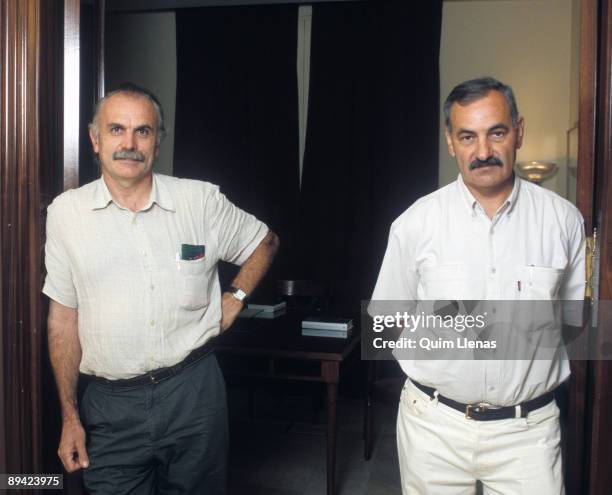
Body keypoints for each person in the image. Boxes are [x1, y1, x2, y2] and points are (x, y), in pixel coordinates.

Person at [43, 82, 279, 494]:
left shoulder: (199, 201)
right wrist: (69, 416)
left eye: (143, 131)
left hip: (193, 392)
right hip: (109, 403)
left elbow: (266, 242)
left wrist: (235, 297)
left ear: (158, 142)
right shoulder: (66, 214)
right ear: (95, 140)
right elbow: (63, 319)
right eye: (116, 130)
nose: (129, 144)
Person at [371, 77, 584, 493]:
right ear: (450, 141)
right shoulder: (416, 223)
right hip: (433, 429)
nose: (483, 152)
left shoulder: (563, 221)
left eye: (496, 133)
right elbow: (387, 320)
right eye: (467, 136)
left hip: (529, 434)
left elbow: (574, 324)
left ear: (518, 132)